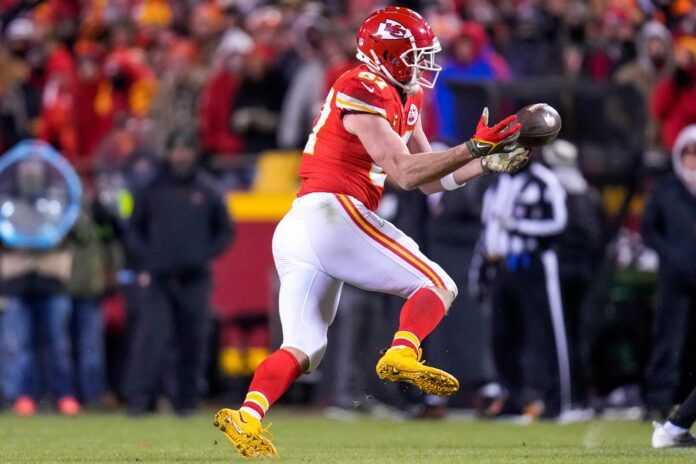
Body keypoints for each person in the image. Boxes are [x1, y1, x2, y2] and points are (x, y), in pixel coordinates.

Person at [214, 7, 530, 458]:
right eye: (416, 55)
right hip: (332, 213)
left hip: (304, 224)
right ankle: (402, 351)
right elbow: (402, 171)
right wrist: (473, 146)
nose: (424, 65)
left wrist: (484, 163)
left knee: (305, 346)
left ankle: (246, 416)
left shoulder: (404, 96)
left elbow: (426, 179)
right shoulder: (361, 85)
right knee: (439, 284)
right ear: (388, 55)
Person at [121, 129, 233, 416]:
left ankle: (187, 402)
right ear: (168, 152)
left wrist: (202, 255)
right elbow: (133, 230)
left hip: (195, 277)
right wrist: (147, 259)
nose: (181, 155)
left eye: (186, 149)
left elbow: (226, 232)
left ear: (195, 152)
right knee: (151, 339)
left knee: (193, 341)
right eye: (176, 149)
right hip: (157, 278)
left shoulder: (208, 189)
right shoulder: (150, 188)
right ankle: (139, 401)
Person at [478, 158, 569, 419]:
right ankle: (512, 397)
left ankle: (555, 402)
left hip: (533, 263)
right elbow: (487, 230)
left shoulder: (544, 180)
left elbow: (559, 222)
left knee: (545, 335)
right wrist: (481, 270)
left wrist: (518, 227)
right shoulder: (496, 182)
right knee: (502, 338)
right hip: (501, 266)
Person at [642, 124, 696, 419]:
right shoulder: (666, 191)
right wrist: (671, 257)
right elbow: (649, 231)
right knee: (668, 339)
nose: (693, 160)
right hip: (674, 278)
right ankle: (659, 400)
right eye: (689, 153)